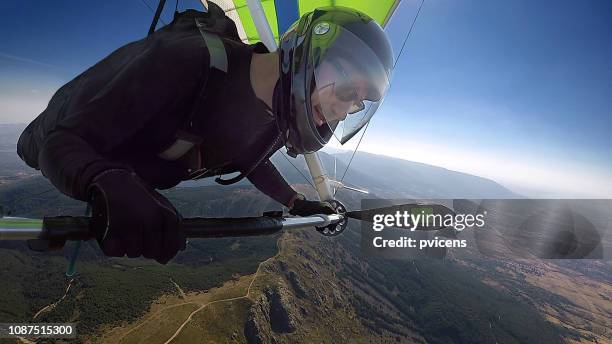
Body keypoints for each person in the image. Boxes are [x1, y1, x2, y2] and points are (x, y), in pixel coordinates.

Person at [17, 5, 394, 264]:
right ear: (309, 51)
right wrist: (105, 180)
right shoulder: (184, 61)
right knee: (38, 146)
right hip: (70, 138)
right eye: (347, 89)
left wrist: (296, 202)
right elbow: (60, 143)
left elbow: (251, 158)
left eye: (358, 104)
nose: (344, 109)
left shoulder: (277, 118)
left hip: (143, 160)